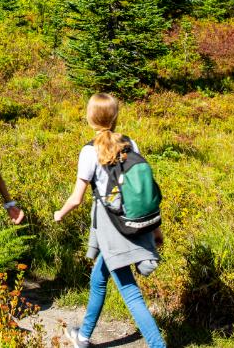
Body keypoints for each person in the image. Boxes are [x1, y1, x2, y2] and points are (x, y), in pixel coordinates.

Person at [53, 93, 165, 348]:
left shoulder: (88, 151)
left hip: (111, 228)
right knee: (99, 278)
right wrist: (156, 228)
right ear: (115, 117)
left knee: (129, 291)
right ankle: (83, 337)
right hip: (131, 220)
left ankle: (158, 345)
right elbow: (143, 189)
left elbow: (77, 198)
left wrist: (60, 213)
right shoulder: (130, 143)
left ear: (90, 117)